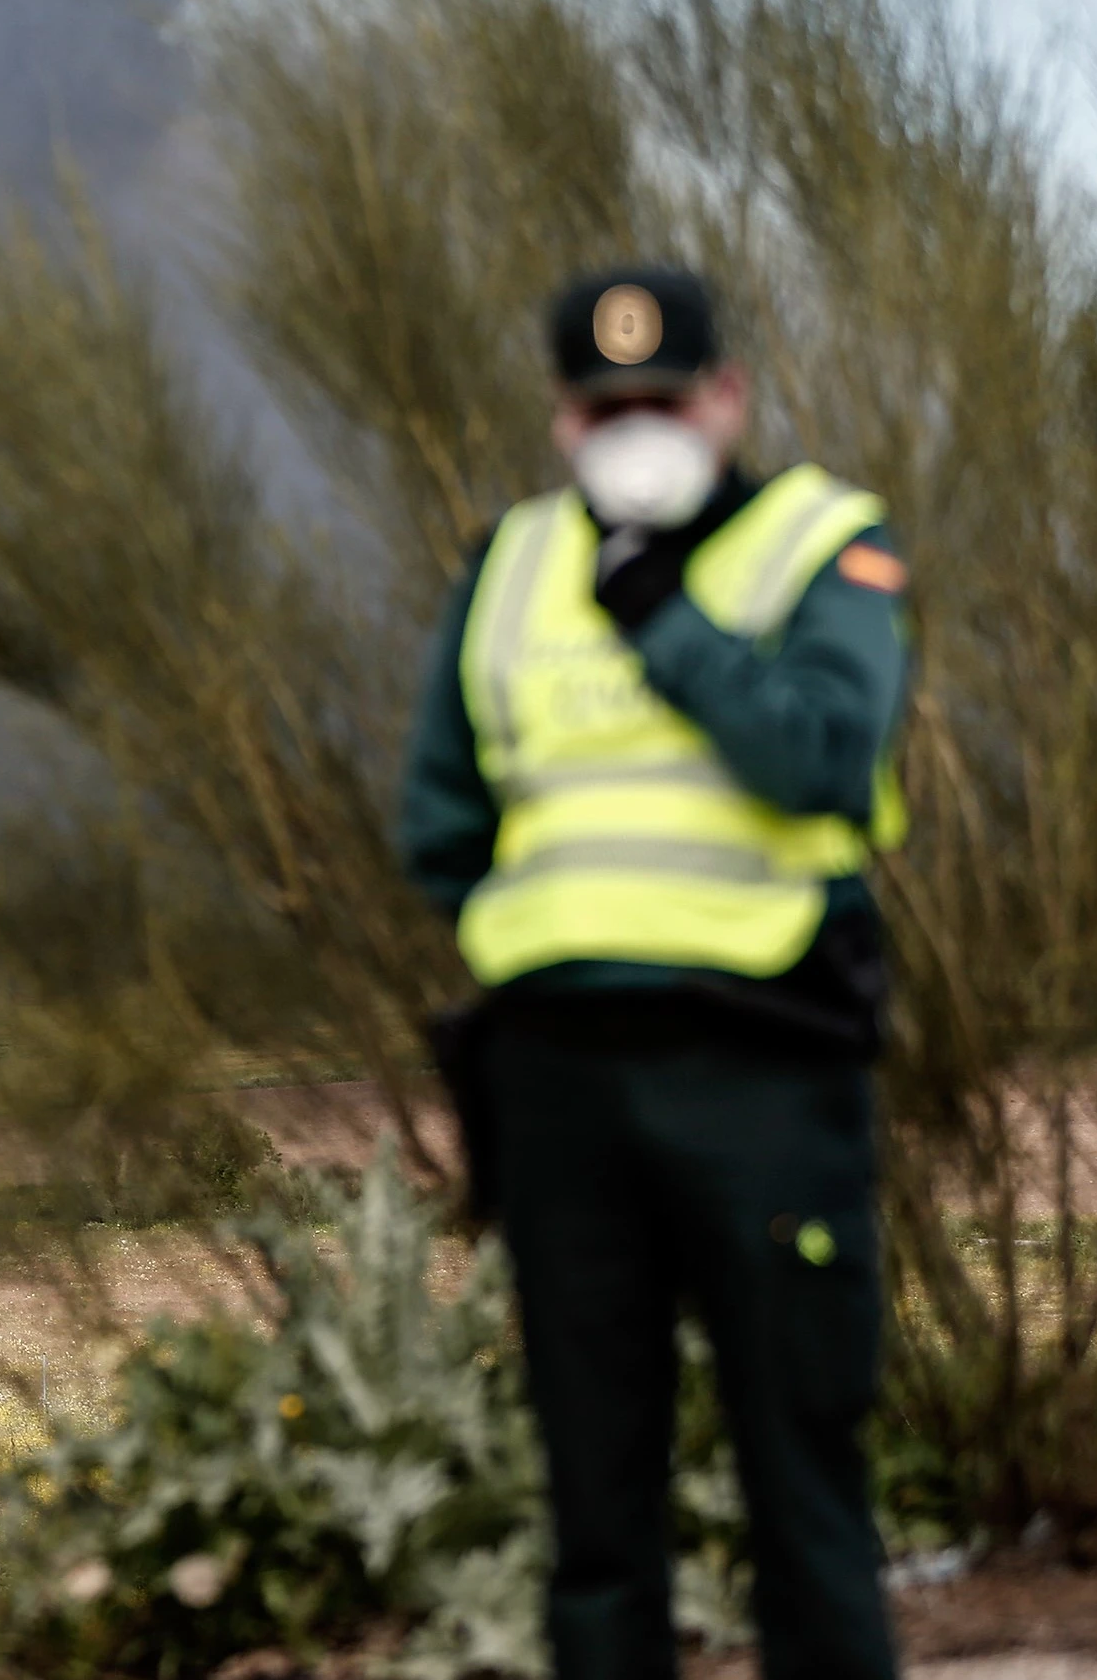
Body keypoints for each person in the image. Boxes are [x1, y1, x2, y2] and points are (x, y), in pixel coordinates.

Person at [397, 266, 912, 1680]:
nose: (639, 426)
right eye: (606, 405)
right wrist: (543, 942)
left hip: (762, 1070)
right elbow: (440, 819)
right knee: (595, 1504)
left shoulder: (822, 544)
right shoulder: (507, 565)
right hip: (559, 1082)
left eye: (665, 400)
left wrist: (660, 617)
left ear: (727, 398)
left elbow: (819, 755)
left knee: (803, 1485)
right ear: (564, 420)